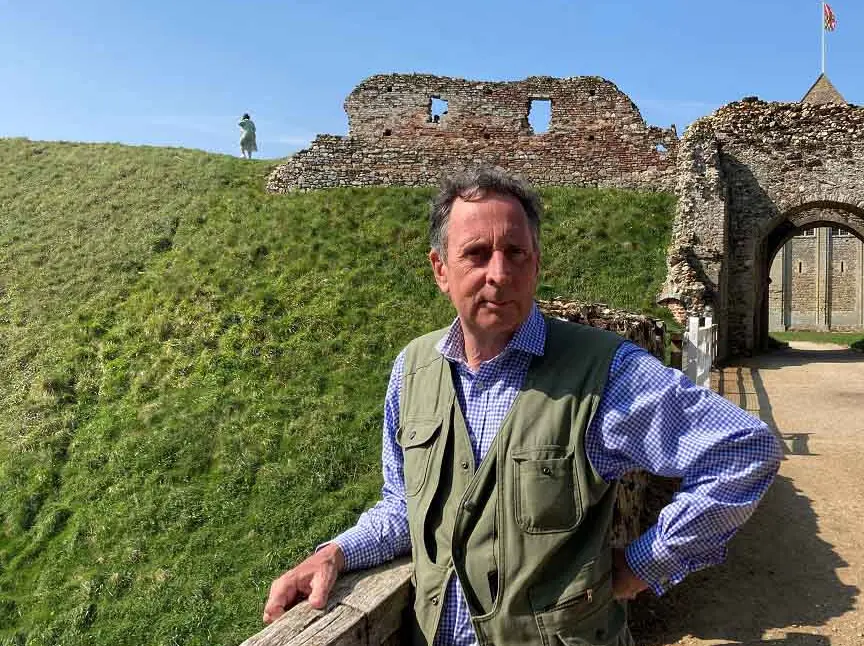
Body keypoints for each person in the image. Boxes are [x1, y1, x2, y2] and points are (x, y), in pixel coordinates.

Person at [260, 165, 782, 646]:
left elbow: (742, 450)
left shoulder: (604, 372)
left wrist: (645, 564)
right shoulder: (411, 371)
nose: (499, 273)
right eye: (476, 254)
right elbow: (404, 508)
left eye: (516, 253)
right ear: (441, 269)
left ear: (536, 265)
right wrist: (336, 552)